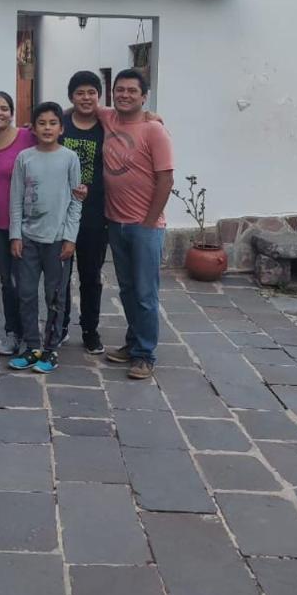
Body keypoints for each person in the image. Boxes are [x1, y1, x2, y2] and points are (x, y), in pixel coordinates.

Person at [101, 69, 173, 379]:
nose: (124, 95)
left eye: (132, 91)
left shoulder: (154, 130)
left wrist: (148, 222)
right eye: (119, 90)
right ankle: (132, 344)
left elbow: (166, 179)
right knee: (128, 290)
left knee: (145, 293)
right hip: (115, 223)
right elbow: (79, 107)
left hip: (145, 227)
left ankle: (145, 354)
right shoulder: (109, 119)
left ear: (144, 96)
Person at [8, 102, 82, 374]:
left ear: (61, 128)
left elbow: (76, 201)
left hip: (58, 240)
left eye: (53, 123)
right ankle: (31, 346)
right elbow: (15, 199)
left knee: (55, 296)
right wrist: (15, 235)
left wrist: (70, 237)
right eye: (42, 123)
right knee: (26, 293)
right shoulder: (24, 158)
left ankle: (50, 349)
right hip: (28, 240)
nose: (47, 128)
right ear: (34, 128)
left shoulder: (70, 158)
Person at [0, 91, 36, 356]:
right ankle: (13, 333)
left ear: (12, 113)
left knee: (25, 284)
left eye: (4, 108)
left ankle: (30, 337)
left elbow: (60, 121)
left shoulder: (28, 136)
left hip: (26, 225)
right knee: (7, 282)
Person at [58, 71, 109, 354]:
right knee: (61, 276)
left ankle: (90, 329)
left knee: (91, 276)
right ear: (71, 97)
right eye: (80, 92)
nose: (86, 97)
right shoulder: (61, 123)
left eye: (91, 92)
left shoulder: (106, 124)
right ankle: (60, 326)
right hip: (61, 214)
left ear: (98, 96)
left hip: (94, 215)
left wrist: (153, 117)